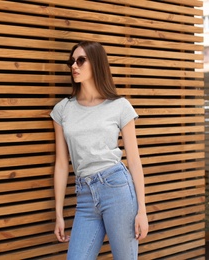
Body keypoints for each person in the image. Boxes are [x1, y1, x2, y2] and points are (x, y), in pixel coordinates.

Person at [50, 41, 149, 260]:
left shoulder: (120, 106)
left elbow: (134, 161)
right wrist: (58, 213)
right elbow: (61, 163)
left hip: (117, 189)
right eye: (72, 61)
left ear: (96, 63)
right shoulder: (63, 110)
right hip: (84, 195)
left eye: (81, 60)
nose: (74, 66)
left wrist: (142, 210)